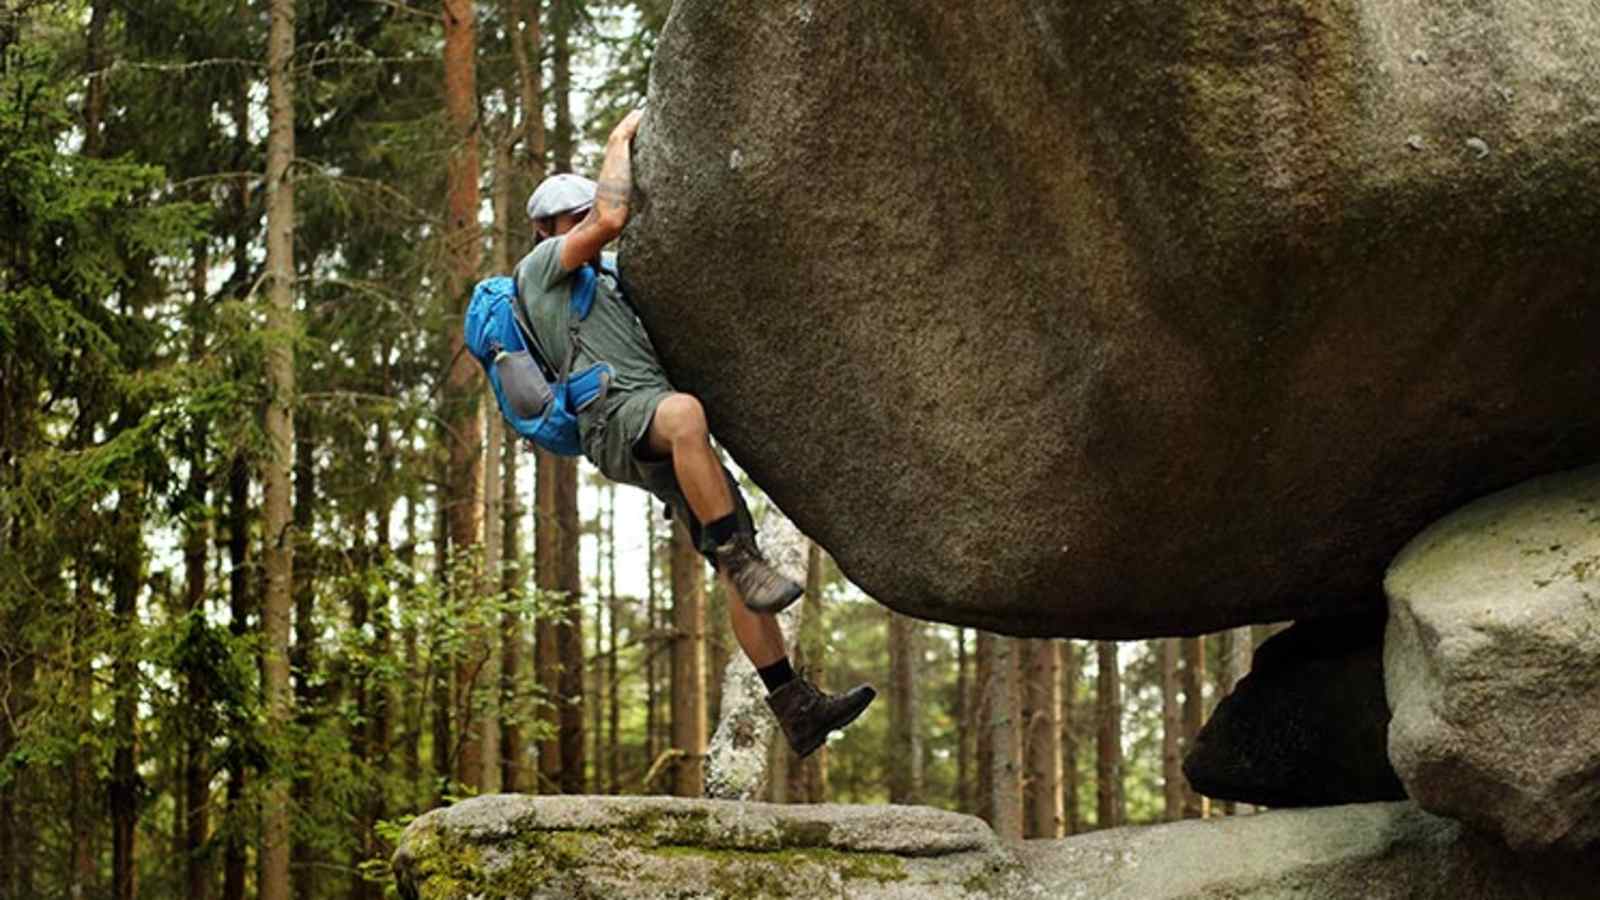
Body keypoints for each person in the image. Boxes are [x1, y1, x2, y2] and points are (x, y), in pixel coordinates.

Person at [514, 109, 874, 758]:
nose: (589, 226)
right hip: (617, 416)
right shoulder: (540, 270)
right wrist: (619, 142)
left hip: (648, 421)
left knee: (732, 555)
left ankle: (794, 704)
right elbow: (614, 218)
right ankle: (744, 561)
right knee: (685, 418)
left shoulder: (605, 282)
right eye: (579, 217)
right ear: (553, 226)